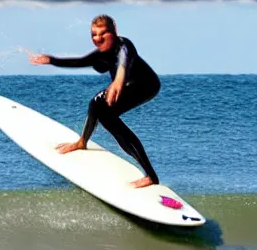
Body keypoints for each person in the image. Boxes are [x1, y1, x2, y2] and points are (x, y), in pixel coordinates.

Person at [28, 14, 160, 188]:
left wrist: (118, 80)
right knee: (100, 109)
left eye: (103, 33)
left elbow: (123, 61)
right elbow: (79, 61)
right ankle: (82, 142)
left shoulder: (124, 45)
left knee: (106, 115)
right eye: (94, 35)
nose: (97, 39)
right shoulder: (100, 54)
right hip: (123, 85)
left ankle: (151, 176)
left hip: (146, 85)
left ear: (114, 33)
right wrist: (51, 60)